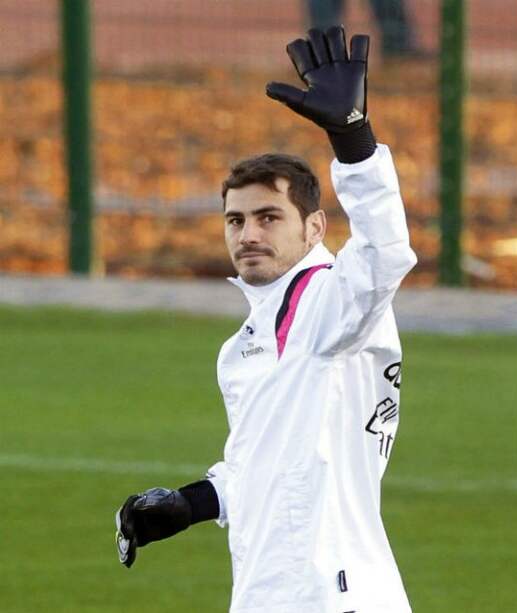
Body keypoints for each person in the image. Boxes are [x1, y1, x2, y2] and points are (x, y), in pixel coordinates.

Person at [114, 26, 416, 612]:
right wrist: (190, 504)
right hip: (269, 592)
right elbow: (267, 463)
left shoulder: (330, 304)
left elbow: (384, 253)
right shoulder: (246, 345)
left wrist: (353, 140)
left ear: (314, 228)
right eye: (235, 220)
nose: (249, 234)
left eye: (269, 217)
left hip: (336, 595)